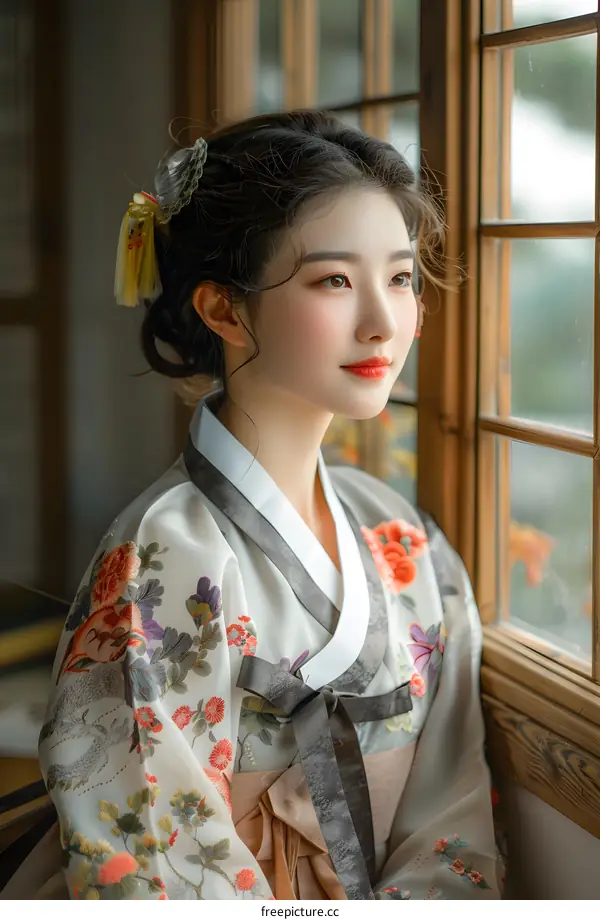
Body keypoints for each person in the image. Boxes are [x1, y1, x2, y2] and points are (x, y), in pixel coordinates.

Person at [14, 111, 502, 900]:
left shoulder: (400, 535)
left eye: (402, 277)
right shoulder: (165, 557)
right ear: (223, 310)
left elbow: (454, 808)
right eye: (335, 280)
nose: (385, 321)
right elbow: (150, 869)